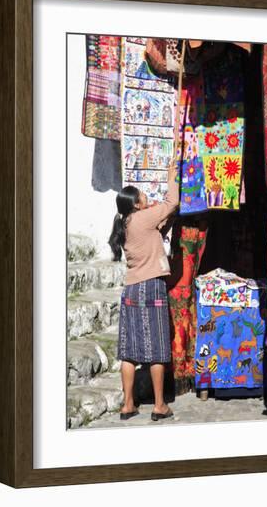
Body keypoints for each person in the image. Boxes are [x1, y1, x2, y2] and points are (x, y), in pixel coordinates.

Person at [108, 160, 179, 421]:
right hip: (151, 287)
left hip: (131, 289)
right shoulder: (143, 217)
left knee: (129, 350)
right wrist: (171, 176)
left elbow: (156, 231)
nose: (145, 194)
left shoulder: (126, 223)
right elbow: (172, 203)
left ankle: (128, 404)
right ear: (136, 203)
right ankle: (159, 405)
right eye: (141, 194)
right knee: (157, 347)